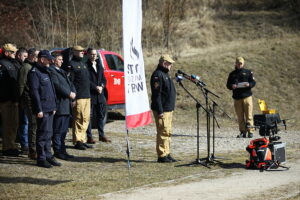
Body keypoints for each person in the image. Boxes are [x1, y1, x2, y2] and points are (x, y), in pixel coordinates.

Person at [28, 50, 61, 168]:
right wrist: (38, 110)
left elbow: (51, 90)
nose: (51, 61)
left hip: (50, 107)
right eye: (48, 59)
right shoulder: (34, 72)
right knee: (42, 135)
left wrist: (54, 106)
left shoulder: (46, 71)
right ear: (42, 59)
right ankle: (41, 158)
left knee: (49, 133)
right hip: (42, 108)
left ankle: (48, 156)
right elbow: (34, 92)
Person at [150, 54, 177, 163]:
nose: (171, 65)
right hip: (162, 110)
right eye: (169, 63)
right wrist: (160, 111)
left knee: (168, 132)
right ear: (163, 63)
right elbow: (157, 95)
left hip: (168, 109)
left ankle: (167, 152)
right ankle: (161, 155)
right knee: (163, 131)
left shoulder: (166, 74)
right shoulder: (157, 75)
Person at [49, 53, 76, 160]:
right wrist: (68, 94)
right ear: (53, 60)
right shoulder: (52, 71)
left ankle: (63, 150)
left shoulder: (62, 71)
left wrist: (73, 95)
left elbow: (71, 84)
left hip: (67, 105)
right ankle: (58, 151)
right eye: (59, 59)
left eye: (62, 59)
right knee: (58, 130)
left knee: (64, 130)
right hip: (60, 105)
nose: (62, 61)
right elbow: (57, 85)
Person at [64, 45, 92, 150]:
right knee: (78, 118)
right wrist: (73, 98)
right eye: (79, 51)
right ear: (74, 52)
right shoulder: (71, 65)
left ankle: (83, 139)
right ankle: (77, 140)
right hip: (79, 96)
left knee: (86, 118)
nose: (82, 53)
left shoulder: (83, 64)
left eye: (82, 51)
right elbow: (70, 82)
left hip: (87, 96)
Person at [226, 57, 256, 138]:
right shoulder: (232, 74)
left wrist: (249, 84)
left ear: (243, 64)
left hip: (247, 97)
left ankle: (250, 131)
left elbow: (253, 82)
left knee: (249, 115)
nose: (239, 65)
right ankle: (243, 132)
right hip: (237, 98)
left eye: (241, 63)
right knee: (240, 116)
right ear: (235, 64)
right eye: (238, 63)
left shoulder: (248, 72)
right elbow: (228, 85)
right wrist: (232, 86)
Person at [86, 48, 111, 144]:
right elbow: (87, 80)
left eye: (95, 54)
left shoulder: (99, 65)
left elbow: (103, 78)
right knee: (90, 116)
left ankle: (101, 135)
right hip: (91, 94)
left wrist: (102, 86)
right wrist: (95, 87)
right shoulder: (86, 66)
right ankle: (89, 137)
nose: (93, 56)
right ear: (88, 55)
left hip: (100, 94)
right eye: (92, 54)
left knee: (101, 115)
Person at [18, 48, 39, 159]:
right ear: (31, 55)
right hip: (28, 99)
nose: (38, 58)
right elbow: (21, 85)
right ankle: (31, 149)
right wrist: (21, 100)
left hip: (36, 99)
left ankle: (36, 148)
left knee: (36, 125)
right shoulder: (25, 67)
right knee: (32, 125)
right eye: (36, 55)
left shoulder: (35, 67)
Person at [0, 43, 20, 157]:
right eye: (13, 52)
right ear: (7, 53)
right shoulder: (2, 65)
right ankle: (7, 147)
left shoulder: (12, 64)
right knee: (7, 124)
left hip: (13, 100)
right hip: (6, 100)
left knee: (14, 124)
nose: (15, 54)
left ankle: (11, 145)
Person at [16, 48, 29, 154]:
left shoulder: (25, 66)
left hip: (26, 99)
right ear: (19, 55)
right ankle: (24, 144)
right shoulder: (22, 67)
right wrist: (19, 99)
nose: (26, 58)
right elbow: (21, 85)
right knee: (24, 122)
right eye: (24, 56)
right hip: (22, 99)